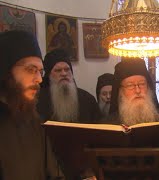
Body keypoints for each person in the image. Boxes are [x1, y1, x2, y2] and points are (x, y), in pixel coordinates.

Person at [0, 30, 62, 179]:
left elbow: (54, 175)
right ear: (6, 71)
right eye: (31, 70)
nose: (39, 79)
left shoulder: (34, 122)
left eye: (40, 71)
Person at [106, 58, 159, 125]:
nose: (137, 90)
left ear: (148, 87)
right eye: (130, 85)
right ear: (120, 92)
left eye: (142, 84)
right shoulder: (108, 125)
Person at [37, 48, 100, 123]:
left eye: (67, 69)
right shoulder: (38, 101)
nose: (64, 74)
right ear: (49, 75)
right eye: (58, 70)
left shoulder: (88, 100)